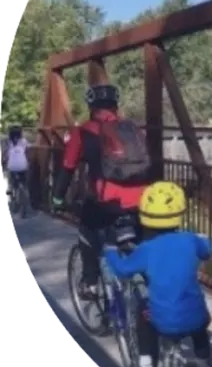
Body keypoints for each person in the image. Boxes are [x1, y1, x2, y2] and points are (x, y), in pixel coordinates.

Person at [103, 181, 212, 367]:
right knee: (199, 324)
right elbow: (206, 251)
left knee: (143, 311)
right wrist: (202, 238)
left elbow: (123, 270)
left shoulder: (147, 249)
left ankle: (146, 362)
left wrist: (111, 251)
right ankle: (205, 361)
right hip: (197, 316)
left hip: (164, 320)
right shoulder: (190, 239)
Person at [51, 84, 151, 298]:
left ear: (91, 106)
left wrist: (58, 198)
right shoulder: (132, 128)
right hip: (141, 199)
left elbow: (68, 167)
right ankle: (151, 284)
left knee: (86, 231)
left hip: (107, 201)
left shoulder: (84, 131)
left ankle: (90, 283)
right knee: (141, 242)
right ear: (115, 105)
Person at [4, 125, 30, 204]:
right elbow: (27, 151)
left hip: (12, 166)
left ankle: (10, 188)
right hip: (23, 166)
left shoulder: (8, 142)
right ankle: (25, 190)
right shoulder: (24, 141)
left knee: (10, 174)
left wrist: (4, 160)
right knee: (24, 180)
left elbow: (5, 154)